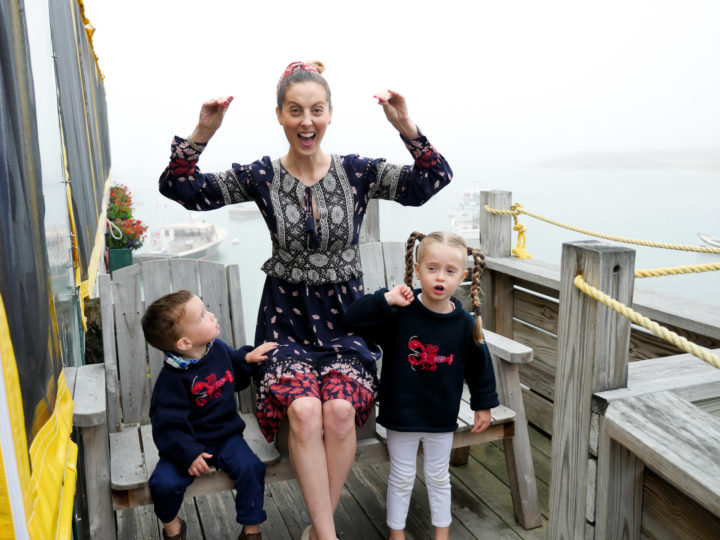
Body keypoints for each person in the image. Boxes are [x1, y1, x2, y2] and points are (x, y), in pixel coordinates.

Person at [158, 60, 453, 540]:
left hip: (349, 323)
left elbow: (432, 179)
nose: (306, 121)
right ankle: (328, 535)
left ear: (330, 114)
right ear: (279, 115)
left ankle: (319, 532)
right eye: (295, 110)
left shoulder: (359, 172)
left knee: (338, 412)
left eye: (316, 110)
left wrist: (406, 127)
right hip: (284, 322)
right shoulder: (261, 176)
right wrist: (202, 131)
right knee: (304, 410)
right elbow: (181, 188)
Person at [343, 231, 499, 540]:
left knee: (439, 476)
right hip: (402, 414)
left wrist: (483, 404)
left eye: (450, 271)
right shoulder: (399, 314)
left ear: (463, 277)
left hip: (440, 416)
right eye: (432, 268)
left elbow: (480, 367)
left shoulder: (465, 323)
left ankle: (442, 534)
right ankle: (397, 533)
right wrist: (385, 299)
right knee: (402, 476)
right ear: (417, 269)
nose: (440, 277)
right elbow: (352, 319)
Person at [142, 289, 277, 540]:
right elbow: (167, 427)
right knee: (162, 484)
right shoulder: (171, 382)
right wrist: (189, 453)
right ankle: (174, 530)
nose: (212, 316)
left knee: (251, 468)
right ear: (184, 343)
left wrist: (246, 358)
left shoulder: (217, 349)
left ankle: (251, 532)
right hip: (186, 446)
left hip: (225, 437)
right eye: (203, 316)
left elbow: (233, 372)